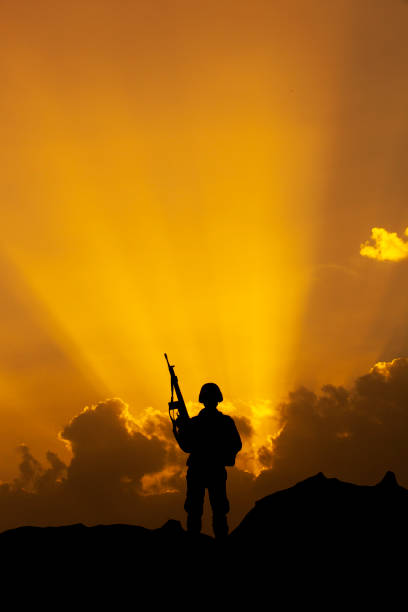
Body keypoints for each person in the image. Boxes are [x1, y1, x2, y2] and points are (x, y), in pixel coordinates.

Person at [173, 382, 242, 539]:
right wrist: (182, 428)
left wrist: (183, 429)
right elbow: (187, 446)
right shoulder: (222, 422)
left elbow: (187, 446)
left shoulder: (198, 423)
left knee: (208, 511)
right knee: (203, 511)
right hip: (209, 469)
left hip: (204, 469)